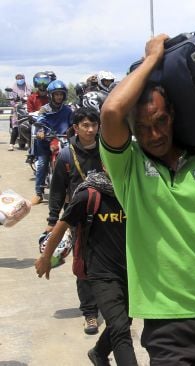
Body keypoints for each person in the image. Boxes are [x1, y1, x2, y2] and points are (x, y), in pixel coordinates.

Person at [99, 34, 195, 364]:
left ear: (173, 114)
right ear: (132, 130)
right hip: (166, 323)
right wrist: (152, 60)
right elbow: (112, 110)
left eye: (161, 121)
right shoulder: (129, 168)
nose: (155, 135)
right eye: (142, 127)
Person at [35, 171, 137, 366]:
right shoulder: (89, 195)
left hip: (130, 270)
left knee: (126, 320)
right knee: (120, 327)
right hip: (101, 272)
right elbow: (62, 226)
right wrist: (46, 257)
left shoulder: (133, 190)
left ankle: (98, 353)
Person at [45, 107, 102, 335]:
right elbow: (58, 189)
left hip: (109, 215)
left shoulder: (108, 149)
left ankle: (114, 303)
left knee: (115, 259)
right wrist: (52, 220)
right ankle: (89, 312)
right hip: (79, 218)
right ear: (76, 128)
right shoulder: (66, 156)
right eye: (85, 126)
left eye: (94, 125)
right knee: (83, 263)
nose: (90, 130)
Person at [32, 79, 73, 205]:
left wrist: (72, 132)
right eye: (56, 94)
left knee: (72, 161)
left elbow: (73, 124)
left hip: (62, 139)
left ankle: (71, 189)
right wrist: (40, 131)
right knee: (42, 163)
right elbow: (40, 121)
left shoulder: (68, 110)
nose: (59, 97)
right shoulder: (44, 109)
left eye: (61, 94)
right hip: (45, 140)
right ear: (51, 95)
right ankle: (39, 193)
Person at [7, 73, 32, 151]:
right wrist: (15, 103)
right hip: (17, 108)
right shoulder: (13, 87)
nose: (20, 79)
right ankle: (11, 144)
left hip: (27, 107)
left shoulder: (28, 86)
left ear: (24, 78)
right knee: (16, 125)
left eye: (21, 78)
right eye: (18, 78)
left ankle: (31, 143)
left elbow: (31, 95)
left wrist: (27, 99)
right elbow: (11, 98)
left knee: (31, 122)